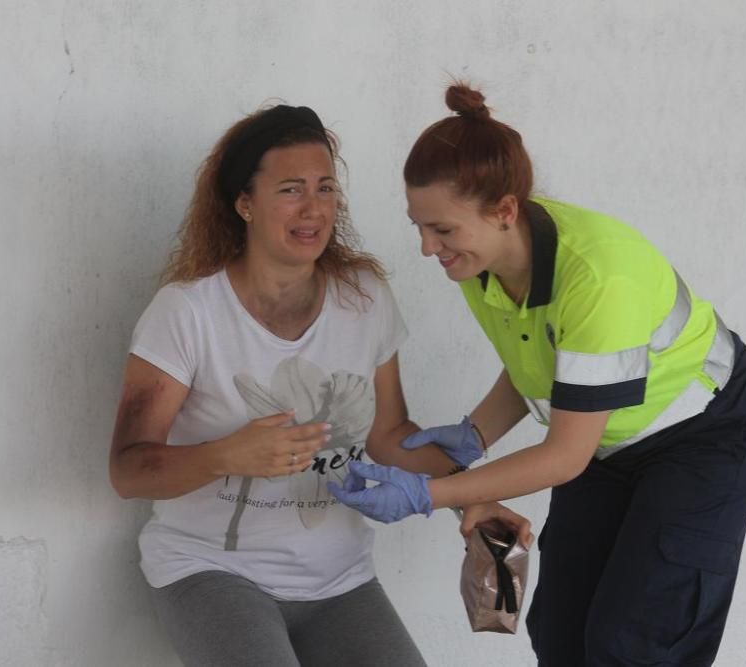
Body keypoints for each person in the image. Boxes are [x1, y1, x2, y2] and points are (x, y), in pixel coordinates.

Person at [329, 83, 746, 666]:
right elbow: (540, 362)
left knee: (633, 646)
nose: (426, 247)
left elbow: (564, 455)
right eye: (419, 225)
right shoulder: (479, 266)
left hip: (706, 438)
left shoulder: (597, 277)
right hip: (608, 441)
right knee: (561, 632)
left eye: (442, 229)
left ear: (505, 211)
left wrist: (429, 494)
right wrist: (474, 436)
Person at [107, 104, 525, 666]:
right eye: (290, 189)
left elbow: (389, 434)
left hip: (340, 581)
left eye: (326, 187)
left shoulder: (365, 296)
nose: (314, 208)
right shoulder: (187, 313)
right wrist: (227, 454)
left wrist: (470, 498)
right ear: (244, 203)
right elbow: (128, 470)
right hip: (212, 571)